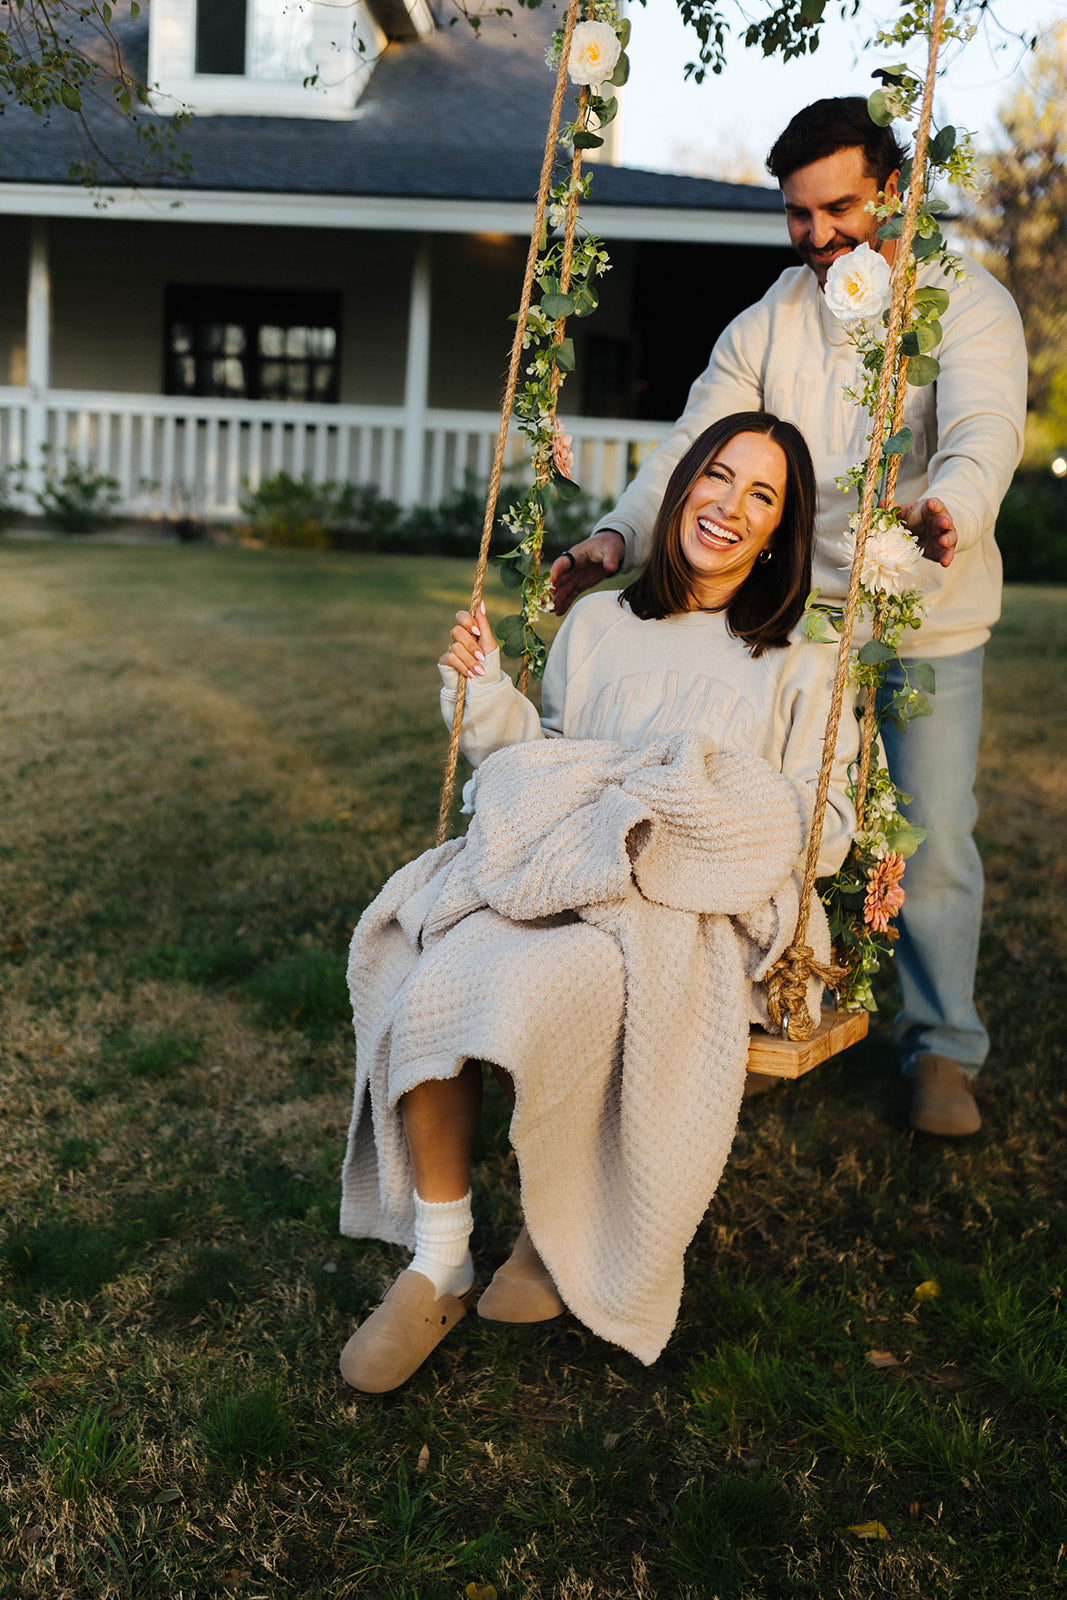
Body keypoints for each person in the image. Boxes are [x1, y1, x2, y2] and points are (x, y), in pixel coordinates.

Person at [337, 413, 858, 1393]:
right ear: (682, 484)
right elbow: (546, 764)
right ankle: (439, 1260)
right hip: (559, 868)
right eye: (717, 475)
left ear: (780, 530)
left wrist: (687, 804)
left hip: (682, 903)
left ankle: (558, 1232)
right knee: (427, 974)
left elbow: (820, 823)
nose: (729, 505)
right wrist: (486, 694)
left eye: (761, 495)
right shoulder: (600, 622)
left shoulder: (801, 659)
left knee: (556, 986)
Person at [550, 96, 1028, 1139]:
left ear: (891, 192)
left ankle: (940, 1046)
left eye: (838, 209)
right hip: (793, 628)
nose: (817, 236)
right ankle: (764, 1006)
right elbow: (694, 447)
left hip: (926, 620)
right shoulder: (767, 320)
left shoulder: (967, 302)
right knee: (775, 821)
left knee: (932, 838)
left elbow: (984, 427)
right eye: (797, 215)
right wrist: (615, 539)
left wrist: (949, 507)